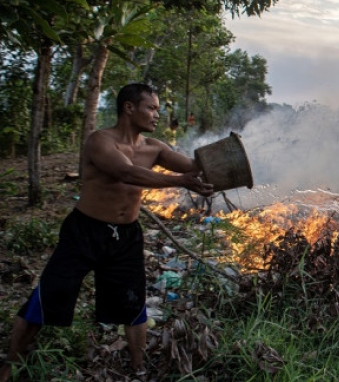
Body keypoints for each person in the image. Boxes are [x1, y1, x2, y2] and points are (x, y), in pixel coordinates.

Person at [0, 83, 213, 381]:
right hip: (84, 232)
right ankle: (10, 365)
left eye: (158, 108)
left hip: (125, 236)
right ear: (129, 108)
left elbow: (194, 167)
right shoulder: (100, 141)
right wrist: (181, 181)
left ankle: (138, 369)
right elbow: (126, 173)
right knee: (48, 297)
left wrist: (229, 157)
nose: (157, 114)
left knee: (132, 303)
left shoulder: (154, 148)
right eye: (151, 108)